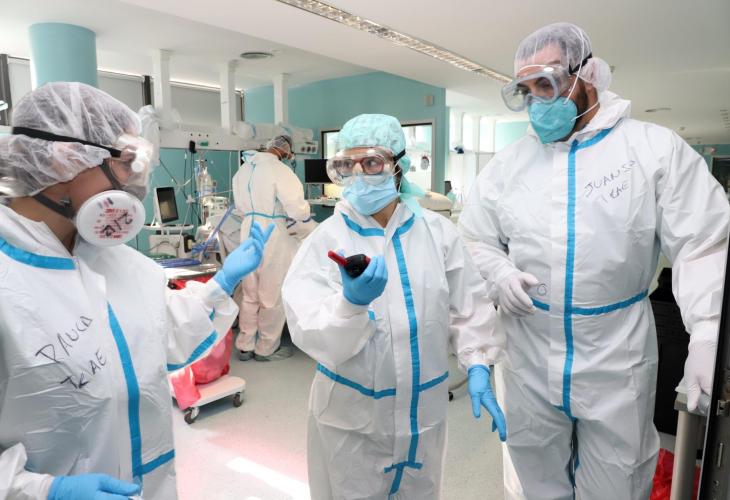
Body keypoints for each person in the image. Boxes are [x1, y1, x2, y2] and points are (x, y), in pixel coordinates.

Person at [459, 22, 730, 499]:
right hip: (527, 349)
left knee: (618, 480)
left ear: (588, 75)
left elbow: (704, 243)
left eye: (546, 84)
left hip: (615, 352)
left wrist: (709, 335)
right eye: (525, 91)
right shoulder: (508, 165)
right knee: (534, 478)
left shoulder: (652, 150)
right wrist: (498, 272)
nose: (537, 102)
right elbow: (474, 238)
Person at [0, 82, 272, 500]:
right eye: (124, 162)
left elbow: (163, 332)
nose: (132, 183)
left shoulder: (120, 262)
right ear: (63, 159)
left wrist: (222, 284)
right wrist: (42, 491)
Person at [282, 113, 506, 499]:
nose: (359, 175)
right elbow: (310, 331)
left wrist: (478, 363)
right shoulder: (325, 241)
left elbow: (468, 307)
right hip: (353, 424)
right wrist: (349, 306)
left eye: (372, 162)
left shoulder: (438, 234)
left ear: (399, 166)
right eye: (347, 165)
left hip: (423, 417)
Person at [232, 135, 315, 361]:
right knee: (271, 292)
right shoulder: (280, 170)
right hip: (272, 231)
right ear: (285, 151)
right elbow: (298, 210)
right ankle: (266, 348)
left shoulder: (243, 170)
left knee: (250, 291)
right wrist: (303, 213)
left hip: (248, 229)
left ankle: (245, 345)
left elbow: (240, 207)